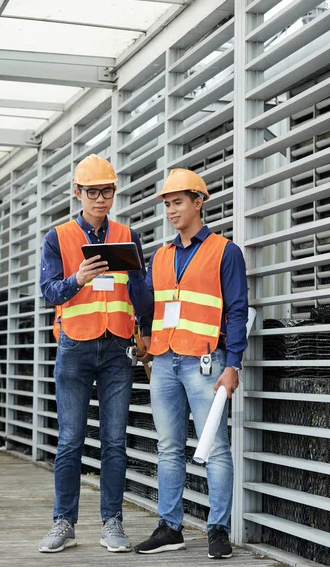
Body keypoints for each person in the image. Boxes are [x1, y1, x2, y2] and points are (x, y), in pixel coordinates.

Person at [38, 154, 152, 553]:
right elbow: (48, 291)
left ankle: (112, 523)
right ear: (78, 193)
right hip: (75, 347)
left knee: (114, 442)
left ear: (114, 193)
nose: (100, 199)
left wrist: (141, 291)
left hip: (118, 348)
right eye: (92, 192)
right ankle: (64, 522)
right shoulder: (59, 237)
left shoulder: (127, 235)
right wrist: (77, 279)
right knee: (70, 439)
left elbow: (140, 293)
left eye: (107, 191)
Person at [134, 168, 248, 560]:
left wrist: (232, 364)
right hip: (164, 361)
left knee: (215, 448)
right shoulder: (160, 257)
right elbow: (151, 308)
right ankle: (170, 527)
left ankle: (219, 529)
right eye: (166, 204)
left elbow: (236, 310)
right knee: (168, 448)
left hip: (206, 363)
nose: (170, 210)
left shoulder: (225, 251)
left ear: (199, 202)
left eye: (177, 202)